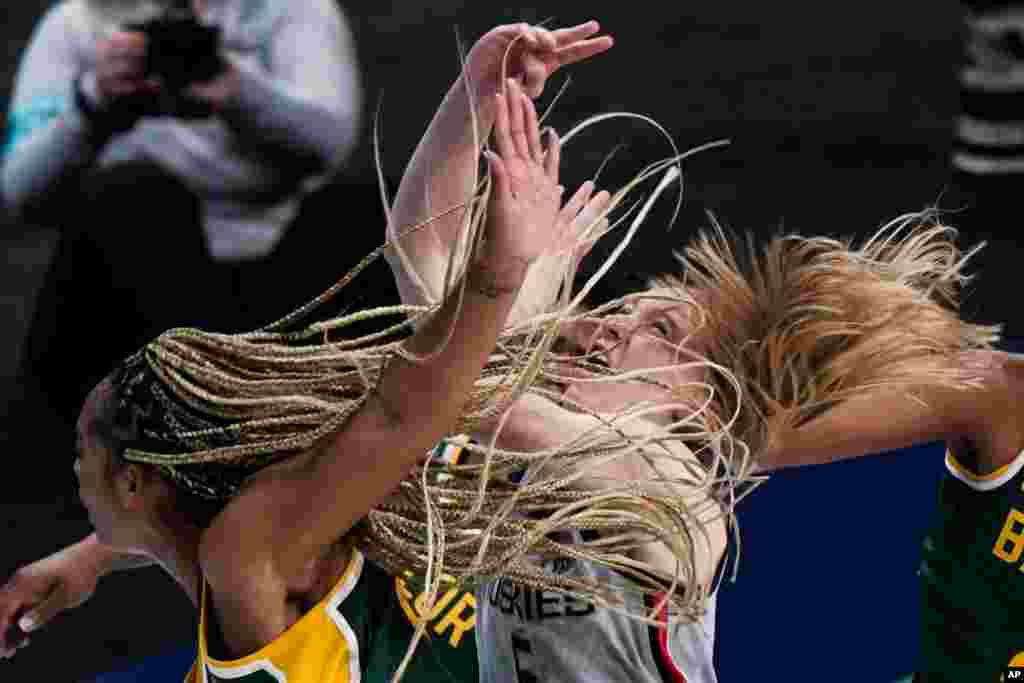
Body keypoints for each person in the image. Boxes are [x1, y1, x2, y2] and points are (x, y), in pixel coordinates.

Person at [381, 21, 997, 682]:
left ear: (705, 402)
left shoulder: (670, 486)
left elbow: (457, 392)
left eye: (662, 332)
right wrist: (477, 92)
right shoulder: (550, 405)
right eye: (624, 309)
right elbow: (420, 255)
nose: (612, 326)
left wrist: (510, 292)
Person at [0, 71, 582, 683]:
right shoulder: (282, 518)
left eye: (82, 449)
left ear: (136, 481)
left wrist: (497, 273)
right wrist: (90, 557)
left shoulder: (247, 552)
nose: (73, 468)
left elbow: (399, 413)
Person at [1, 0, 363, 462]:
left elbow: (331, 142)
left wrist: (237, 91)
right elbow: (18, 190)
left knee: (375, 206)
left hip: (274, 266)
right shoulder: (76, 23)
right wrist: (93, 105)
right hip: (127, 277)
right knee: (133, 195)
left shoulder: (293, 10)